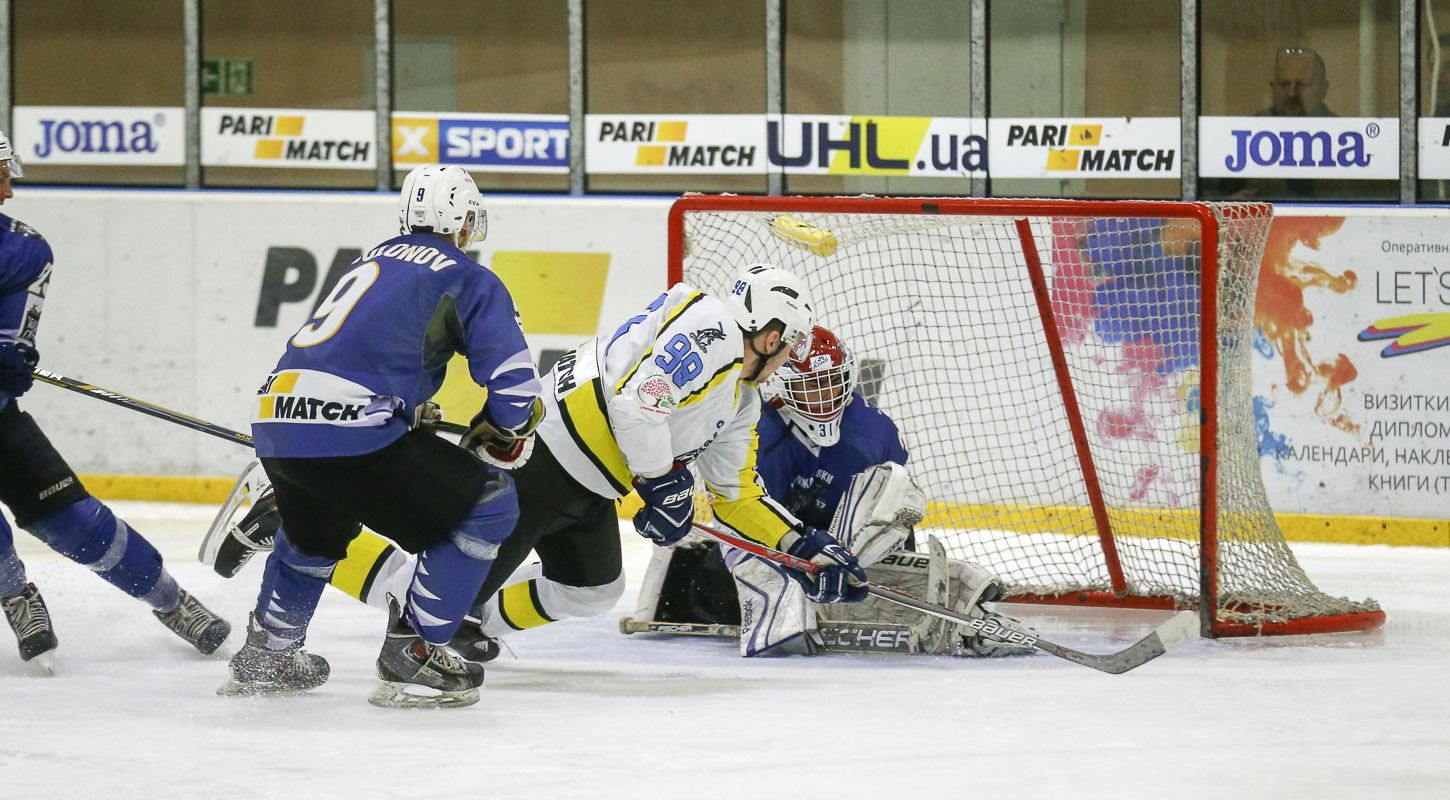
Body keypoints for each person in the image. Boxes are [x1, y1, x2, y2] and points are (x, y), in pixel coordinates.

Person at [204, 263, 870, 662]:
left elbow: (734, 494)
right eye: (792, 344)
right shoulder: (713, 328)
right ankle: (287, 522)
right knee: (435, 584)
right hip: (545, 453)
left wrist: (801, 549)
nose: (791, 359)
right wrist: (662, 483)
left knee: (592, 589)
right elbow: (639, 404)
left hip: (590, 483)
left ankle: (464, 622)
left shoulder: (742, 399)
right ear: (771, 330)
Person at [218, 164, 542, 709]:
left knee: (319, 528)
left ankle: (268, 654)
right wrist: (505, 430)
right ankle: (413, 652)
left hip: (276, 419)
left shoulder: (370, 260)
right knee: (490, 503)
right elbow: (516, 393)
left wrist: (404, 408)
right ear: (463, 221)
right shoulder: (465, 276)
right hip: (351, 432)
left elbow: (357, 351)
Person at [633, 325, 1030, 657]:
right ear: (782, 387)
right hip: (784, 548)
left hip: (846, 548)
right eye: (811, 386)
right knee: (712, 594)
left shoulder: (873, 432)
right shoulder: (755, 427)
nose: (825, 397)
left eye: (832, 383)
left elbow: (889, 516)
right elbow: (746, 519)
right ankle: (796, 597)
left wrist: (869, 559)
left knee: (892, 484)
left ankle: (935, 602)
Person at [0, 129, 231, 669]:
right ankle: (16, 595)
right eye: (1, 175)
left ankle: (172, 601)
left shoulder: (21, 249)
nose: (8, 191)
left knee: (76, 522)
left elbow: (12, 347)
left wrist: (11, 358)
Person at [1259, 47, 1335, 117]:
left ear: (1323, 90)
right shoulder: (1254, 126)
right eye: (1284, 84)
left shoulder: (1338, 128)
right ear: (1273, 88)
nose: (1292, 93)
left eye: (1302, 84)